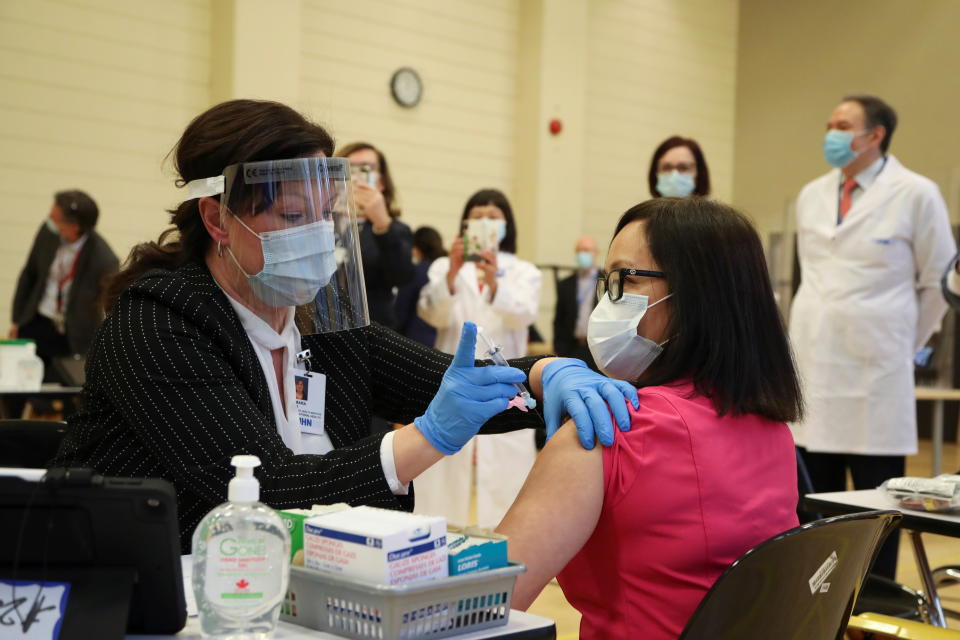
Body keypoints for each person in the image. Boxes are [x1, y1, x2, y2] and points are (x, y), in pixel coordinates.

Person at [50, 100, 637, 550]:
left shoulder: (320, 323)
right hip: (160, 600)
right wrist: (426, 438)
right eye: (292, 216)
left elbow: (451, 382)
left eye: (325, 216)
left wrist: (544, 377)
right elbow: (269, 493)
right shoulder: (157, 324)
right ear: (217, 218)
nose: (319, 236)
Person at [497, 198, 802, 640]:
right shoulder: (774, 430)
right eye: (607, 281)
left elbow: (479, 606)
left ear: (696, 295)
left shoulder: (608, 429)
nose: (607, 302)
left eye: (626, 279)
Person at [790, 95, 956, 579]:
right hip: (814, 371)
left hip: (875, 379)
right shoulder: (811, 194)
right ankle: (815, 604)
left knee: (876, 508)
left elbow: (938, 284)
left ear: (876, 135)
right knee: (813, 505)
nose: (832, 134)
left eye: (842, 125)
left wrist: (897, 343)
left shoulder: (916, 193)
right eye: (829, 124)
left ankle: (874, 606)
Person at [416, 188, 542, 527]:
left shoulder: (524, 271)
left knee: (503, 475)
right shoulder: (444, 266)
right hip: (452, 380)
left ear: (507, 225)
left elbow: (524, 314)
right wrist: (453, 275)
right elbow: (432, 314)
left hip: (505, 384)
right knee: (442, 470)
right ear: (465, 223)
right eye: (478, 214)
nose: (485, 221)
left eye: (493, 216)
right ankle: (436, 542)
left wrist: (496, 284)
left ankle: (504, 546)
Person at [10, 190, 119, 379]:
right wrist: (17, 320)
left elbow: (110, 306)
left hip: (72, 337)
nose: (48, 220)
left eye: (54, 217)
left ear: (74, 227)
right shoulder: (47, 233)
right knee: (17, 388)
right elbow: (29, 274)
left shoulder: (104, 259)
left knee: (60, 397)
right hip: (37, 320)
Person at [334, 142, 414, 330]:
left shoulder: (394, 229)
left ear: (381, 182)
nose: (354, 177)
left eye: (365, 169)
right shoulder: (323, 223)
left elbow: (402, 276)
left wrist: (382, 223)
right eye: (347, 170)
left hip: (374, 330)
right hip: (324, 326)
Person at [552, 236, 600, 370]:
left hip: (597, 350)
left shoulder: (607, 281)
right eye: (579, 251)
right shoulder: (566, 284)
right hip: (572, 349)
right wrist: (559, 349)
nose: (582, 254)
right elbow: (558, 319)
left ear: (596, 253)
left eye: (586, 250)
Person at [394, 226, 446, 347]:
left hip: (416, 339)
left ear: (416, 248)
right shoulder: (447, 271)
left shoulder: (415, 272)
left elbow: (401, 310)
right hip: (443, 339)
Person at [647, 135, 711, 198]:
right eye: (667, 168)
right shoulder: (642, 208)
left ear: (699, 173)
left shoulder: (712, 209)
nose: (674, 175)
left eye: (683, 168)